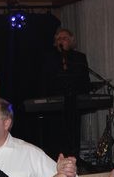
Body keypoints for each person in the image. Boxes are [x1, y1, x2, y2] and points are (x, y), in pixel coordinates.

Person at [39, 27, 91, 159]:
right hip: (55, 103)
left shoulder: (79, 57)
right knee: (56, 134)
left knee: (73, 133)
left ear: (71, 41)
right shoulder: (49, 58)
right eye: (59, 39)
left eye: (65, 38)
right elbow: (45, 81)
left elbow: (85, 80)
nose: (61, 41)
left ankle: (74, 159)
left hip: (73, 101)